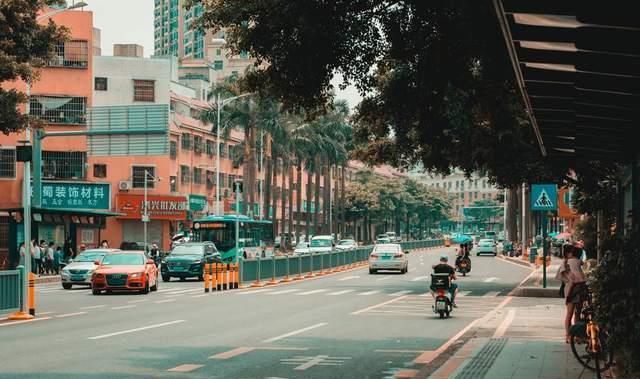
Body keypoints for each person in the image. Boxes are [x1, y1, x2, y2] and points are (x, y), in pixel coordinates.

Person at [556, 244, 587, 343]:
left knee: (569, 313)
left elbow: (562, 276)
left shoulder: (566, 263)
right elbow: (582, 266)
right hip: (579, 288)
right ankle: (576, 336)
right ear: (570, 253)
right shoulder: (576, 261)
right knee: (577, 313)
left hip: (570, 289)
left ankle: (568, 336)